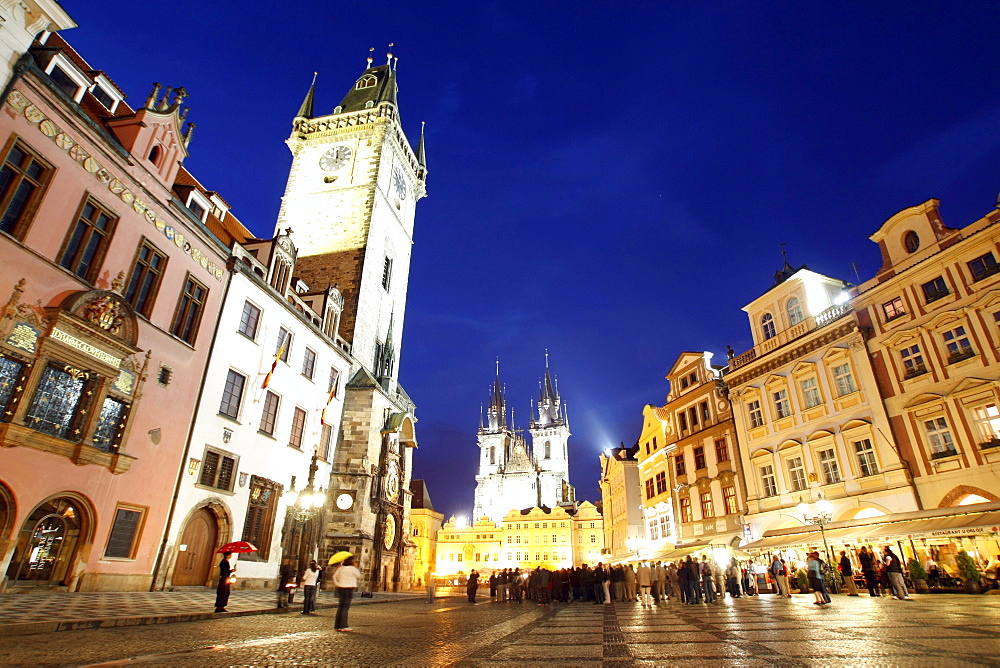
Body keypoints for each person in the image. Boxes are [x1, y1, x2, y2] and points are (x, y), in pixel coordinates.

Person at [332, 555, 362, 631]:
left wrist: (337, 584)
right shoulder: (352, 569)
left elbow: (334, 576)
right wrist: (355, 567)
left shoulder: (341, 568)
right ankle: (343, 626)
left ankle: (337, 626)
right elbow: (358, 575)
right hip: (348, 589)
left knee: (340, 608)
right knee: (345, 608)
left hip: (341, 588)